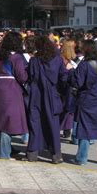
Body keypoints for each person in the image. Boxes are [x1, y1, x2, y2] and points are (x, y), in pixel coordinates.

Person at [0, 32, 28, 159]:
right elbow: (22, 77)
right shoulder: (17, 58)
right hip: (10, 91)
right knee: (7, 124)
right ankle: (4, 154)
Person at [26, 36, 69, 164]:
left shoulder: (34, 61)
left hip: (36, 95)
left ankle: (32, 153)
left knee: (35, 123)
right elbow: (63, 78)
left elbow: (30, 76)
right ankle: (56, 155)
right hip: (52, 95)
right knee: (53, 125)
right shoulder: (57, 60)